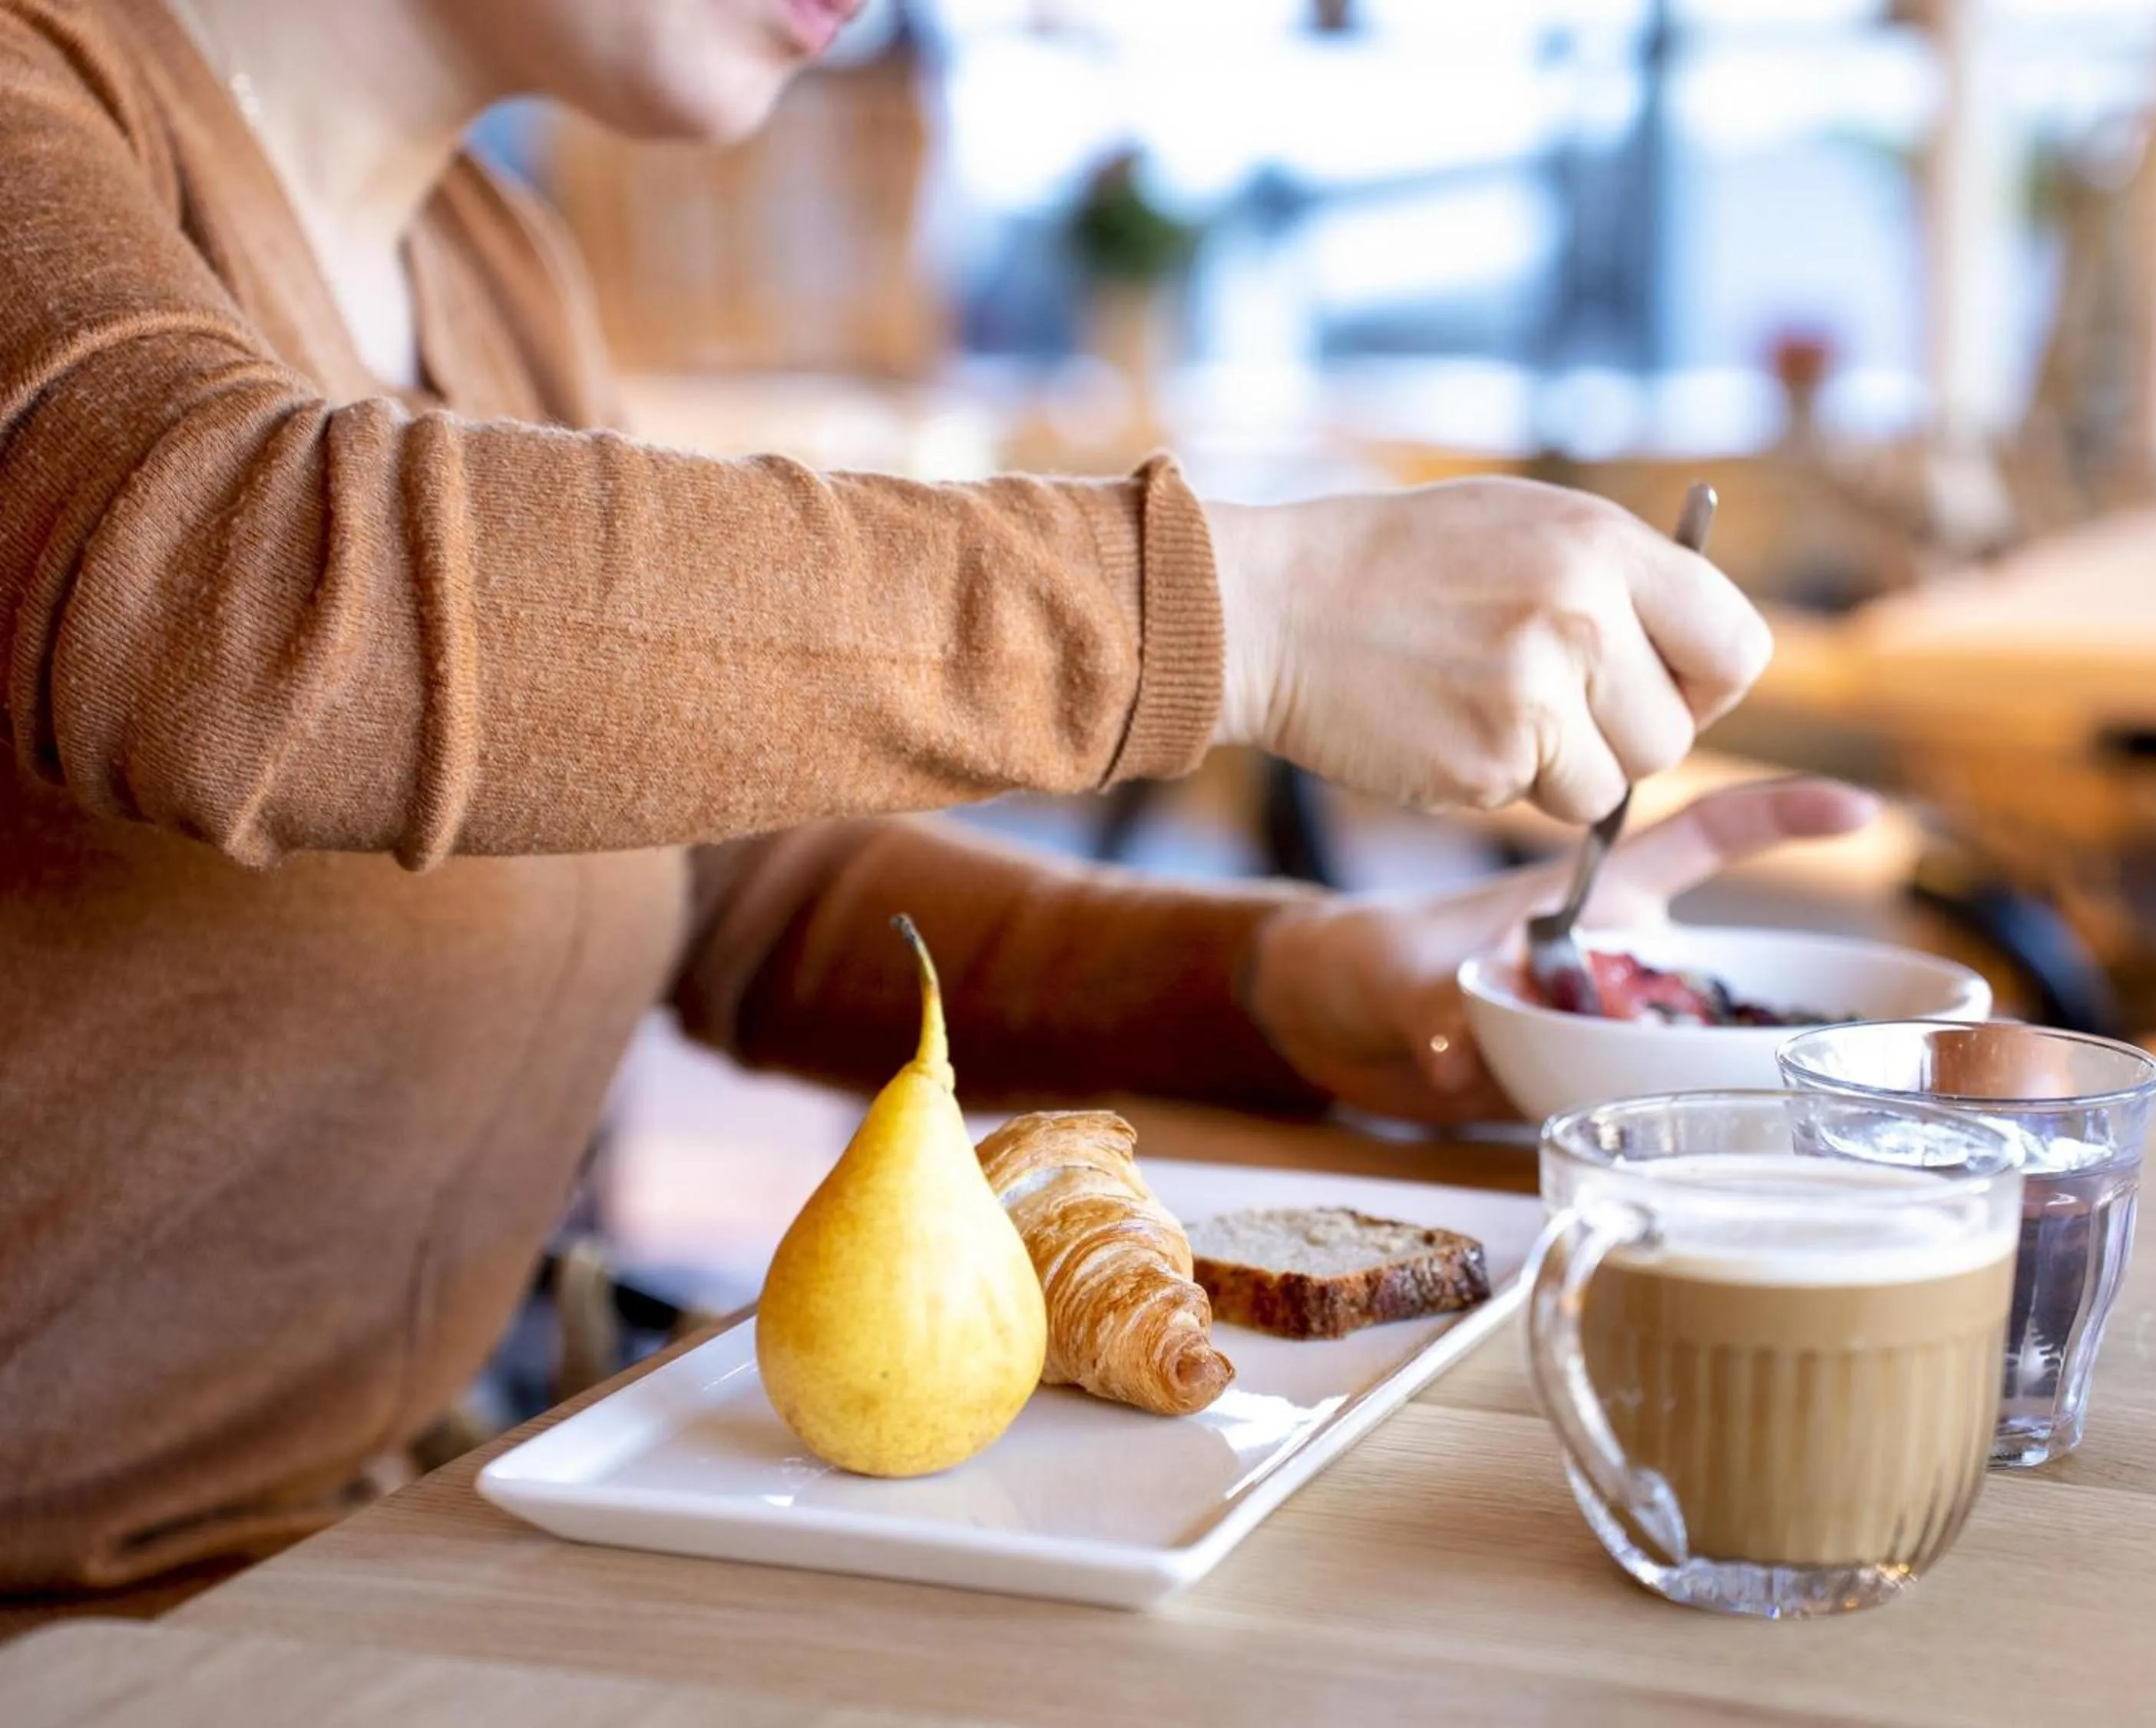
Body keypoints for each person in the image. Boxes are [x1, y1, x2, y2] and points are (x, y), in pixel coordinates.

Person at [0, 0, 1871, 1594]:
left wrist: (1281, 984)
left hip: (395, 1543)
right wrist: (1243, 610)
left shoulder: (484, 272)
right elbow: (218, 601)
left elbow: (702, 882)